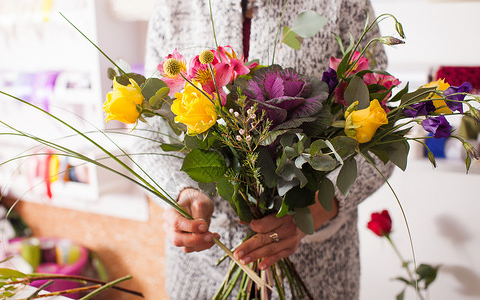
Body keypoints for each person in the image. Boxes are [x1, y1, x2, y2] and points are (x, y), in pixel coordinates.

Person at [141, 0, 394, 299]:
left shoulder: (343, 4)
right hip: (204, 272)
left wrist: (315, 210)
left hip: (315, 272)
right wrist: (181, 193)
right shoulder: (172, 7)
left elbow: (381, 134)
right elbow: (150, 134)